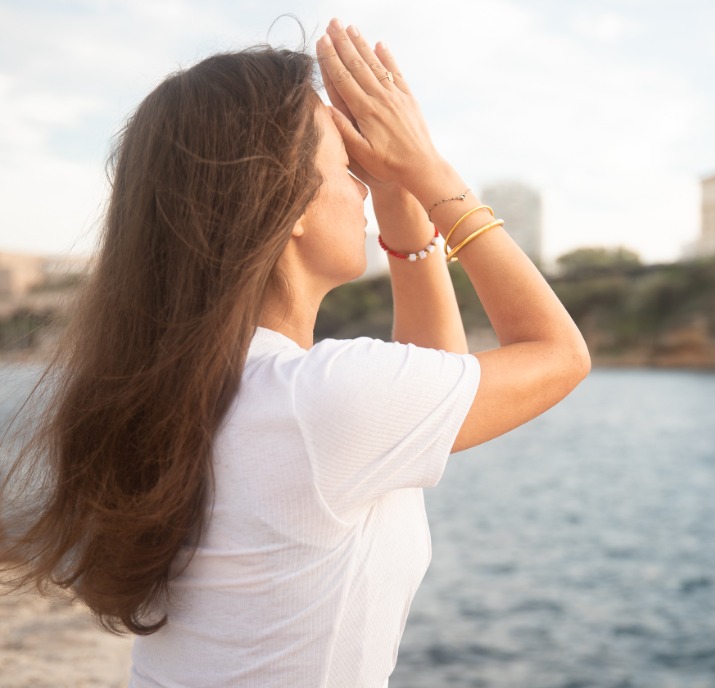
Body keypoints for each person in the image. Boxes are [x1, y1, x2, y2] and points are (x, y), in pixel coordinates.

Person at [0, 17, 589, 687]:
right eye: (346, 166)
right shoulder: (318, 401)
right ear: (291, 203)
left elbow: (429, 383)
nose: (364, 186)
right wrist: (430, 172)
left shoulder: (202, 387)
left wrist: (399, 198)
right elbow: (558, 353)